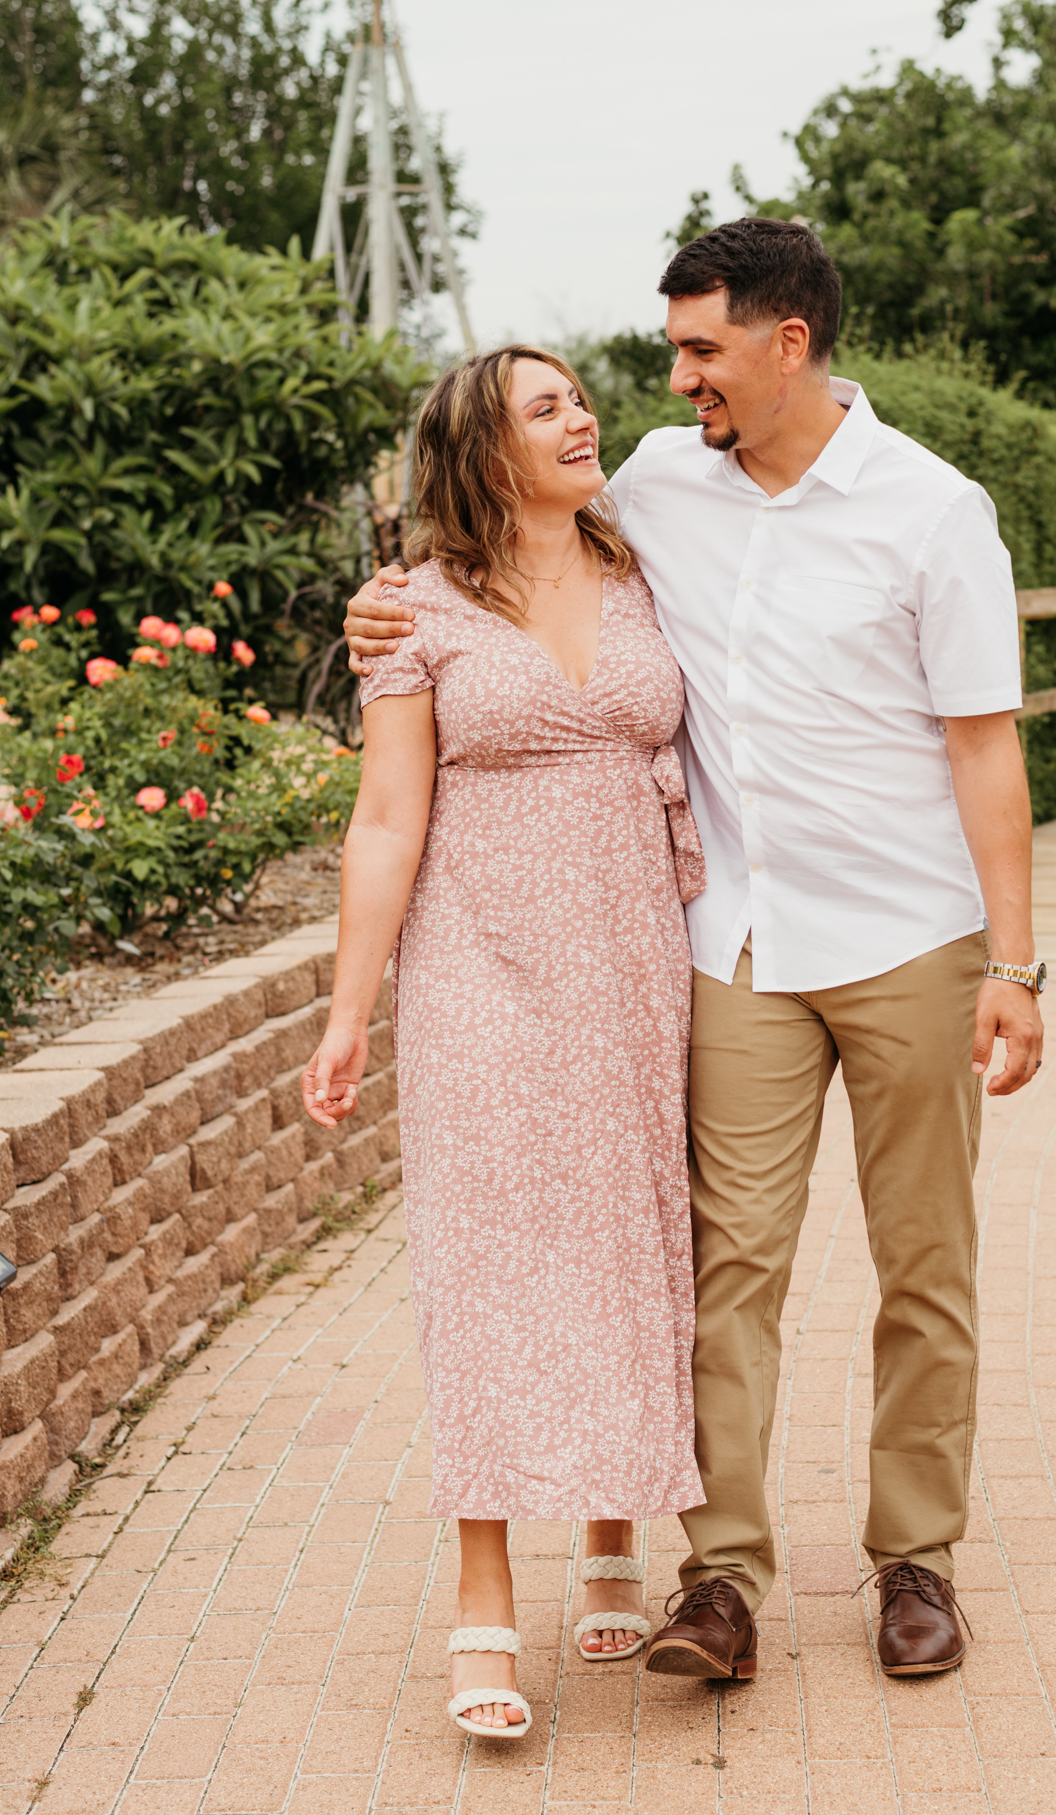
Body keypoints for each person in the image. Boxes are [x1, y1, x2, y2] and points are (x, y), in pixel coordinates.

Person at [344, 219, 1043, 1686]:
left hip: (910, 938)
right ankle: (718, 1578)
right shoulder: (659, 485)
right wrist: (387, 609)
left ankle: (915, 1558)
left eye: (701, 349)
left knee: (926, 1265)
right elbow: (504, 565)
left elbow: (984, 749)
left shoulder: (933, 512)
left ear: (789, 343)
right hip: (728, 945)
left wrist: (1015, 965)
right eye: (672, 351)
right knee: (724, 1269)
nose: (675, 380)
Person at [304, 345, 707, 1741]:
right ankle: (484, 1593)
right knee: (486, 1268)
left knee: (630, 1241)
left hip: (642, 971)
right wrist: (349, 1010)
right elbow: (385, 822)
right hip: (481, 973)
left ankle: (614, 1530)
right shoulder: (412, 612)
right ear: (483, 452)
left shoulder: (649, 568)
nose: (583, 416)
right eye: (547, 408)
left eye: (581, 396)